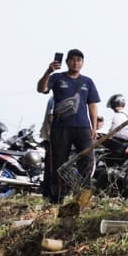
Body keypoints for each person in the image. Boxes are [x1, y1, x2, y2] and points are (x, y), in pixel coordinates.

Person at [36, 48, 101, 202]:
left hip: (83, 127)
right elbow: (41, 89)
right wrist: (48, 72)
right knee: (58, 163)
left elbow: (92, 105)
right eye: (72, 59)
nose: (76, 63)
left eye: (79, 60)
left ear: (82, 63)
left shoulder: (87, 81)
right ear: (67, 62)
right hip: (60, 127)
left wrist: (94, 127)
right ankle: (56, 199)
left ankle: (83, 198)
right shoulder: (57, 78)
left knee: (87, 162)